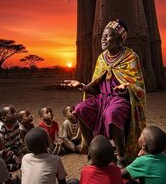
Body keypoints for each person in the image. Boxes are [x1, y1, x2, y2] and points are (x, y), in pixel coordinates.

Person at [62, 19, 146, 166]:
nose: (104, 39)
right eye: (103, 36)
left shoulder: (130, 57)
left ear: (120, 39)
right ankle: (93, 152)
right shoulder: (102, 58)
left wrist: (125, 88)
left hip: (120, 100)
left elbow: (137, 86)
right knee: (80, 108)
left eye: (108, 36)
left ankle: (121, 157)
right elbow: (96, 89)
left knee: (111, 113)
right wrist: (82, 85)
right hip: (101, 99)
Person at [0, 104, 25, 171]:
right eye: (11, 113)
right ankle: (14, 162)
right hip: (6, 149)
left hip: (15, 147)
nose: (15, 114)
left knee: (28, 148)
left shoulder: (16, 123)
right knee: (2, 158)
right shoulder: (0, 130)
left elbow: (17, 138)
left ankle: (15, 161)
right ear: (4, 118)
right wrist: (12, 152)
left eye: (15, 112)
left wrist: (16, 149)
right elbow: (1, 146)